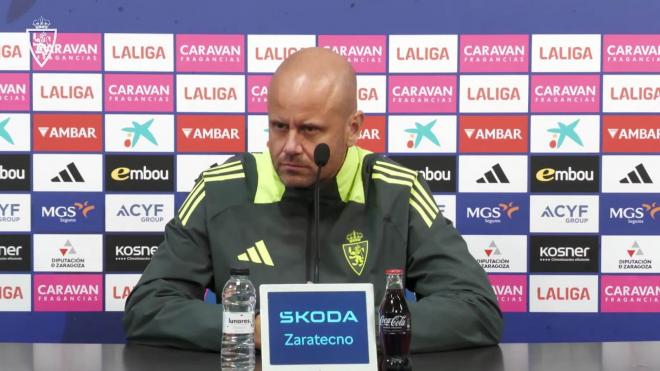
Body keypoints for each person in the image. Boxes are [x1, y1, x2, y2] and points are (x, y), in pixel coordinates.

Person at [123, 47, 503, 352]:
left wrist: (352, 329)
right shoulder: (221, 188)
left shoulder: (396, 190)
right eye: (278, 126)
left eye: (309, 131)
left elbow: (475, 309)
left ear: (354, 127)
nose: (289, 147)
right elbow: (149, 307)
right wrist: (253, 330)